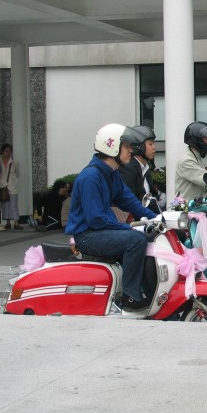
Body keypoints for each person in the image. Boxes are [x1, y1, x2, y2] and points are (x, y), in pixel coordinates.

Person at [65, 123, 158, 311]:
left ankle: (150, 292)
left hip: (99, 231)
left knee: (150, 236)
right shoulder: (91, 176)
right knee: (135, 240)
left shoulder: (111, 173)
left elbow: (129, 201)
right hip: (87, 236)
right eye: (127, 147)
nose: (131, 151)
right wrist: (129, 228)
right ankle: (131, 296)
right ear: (112, 147)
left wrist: (156, 219)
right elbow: (96, 219)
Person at [118, 125, 161, 213]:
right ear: (139, 146)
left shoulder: (145, 168)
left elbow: (151, 200)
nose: (154, 147)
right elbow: (130, 203)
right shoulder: (128, 168)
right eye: (150, 144)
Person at [0, 143, 22, 230]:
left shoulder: (14, 162)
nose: (8, 153)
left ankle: (16, 222)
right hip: (2, 186)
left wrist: (13, 181)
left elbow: (17, 174)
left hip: (12, 186)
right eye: (6, 151)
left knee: (14, 204)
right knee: (5, 205)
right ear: (2, 152)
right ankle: (7, 222)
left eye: (9, 151)